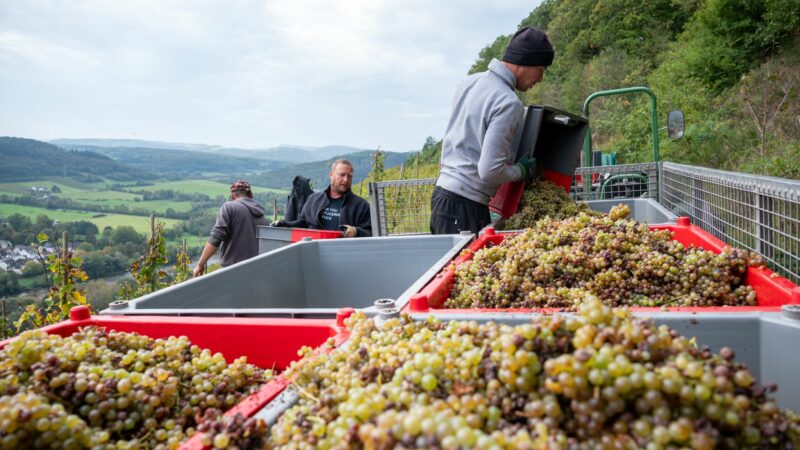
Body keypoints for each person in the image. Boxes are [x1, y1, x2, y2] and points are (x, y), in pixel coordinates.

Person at [430, 26, 554, 235]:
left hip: (442, 197)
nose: (540, 79)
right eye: (540, 71)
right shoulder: (507, 101)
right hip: (465, 206)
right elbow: (490, 171)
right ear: (526, 62)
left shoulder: (469, 82)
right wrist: (521, 170)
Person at [271, 159, 371, 237]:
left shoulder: (361, 206)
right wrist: (283, 224)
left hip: (343, 257)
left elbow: (371, 233)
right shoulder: (313, 200)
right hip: (314, 255)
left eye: (349, 176)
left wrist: (356, 231)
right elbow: (302, 224)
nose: (345, 180)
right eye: (342, 175)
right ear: (331, 175)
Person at [193, 180, 267, 277]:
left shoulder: (229, 207)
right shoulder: (262, 216)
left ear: (233, 196)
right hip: (256, 272)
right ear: (250, 195)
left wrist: (200, 264)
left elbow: (216, 237)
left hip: (232, 272)